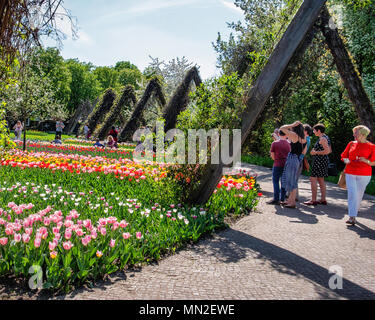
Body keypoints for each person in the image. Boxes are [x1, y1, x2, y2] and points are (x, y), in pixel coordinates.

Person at [341, 125, 375, 226]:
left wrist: (365, 160)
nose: (353, 135)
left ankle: (354, 213)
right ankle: (352, 217)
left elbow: (373, 163)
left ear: (362, 134)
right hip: (350, 172)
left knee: (359, 195)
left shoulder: (371, 146)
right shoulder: (351, 144)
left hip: (364, 174)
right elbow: (343, 156)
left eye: (355, 133)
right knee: (352, 193)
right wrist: (348, 162)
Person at [279, 121, 307, 208]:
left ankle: (292, 202)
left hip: (292, 158)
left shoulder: (294, 136)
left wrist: (291, 124)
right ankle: (290, 200)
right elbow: (303, 152)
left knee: (292, 181)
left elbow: (282, 128)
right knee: (292, 180)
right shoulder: (304, 138)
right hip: (297, 159)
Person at [303, 124, 332, 206]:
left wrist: (315, 152)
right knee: (321, 179)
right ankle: (323, 199)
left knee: (313, 179)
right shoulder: (326, 137)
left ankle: (313, 200)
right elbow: (329, 150)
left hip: (319, 161)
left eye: (314, 130)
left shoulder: (322, 138)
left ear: (318, 130)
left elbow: (327, 151)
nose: (313, 132)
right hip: (322, 161)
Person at [267, 129, 291, 205]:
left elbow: (272, 156)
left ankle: (276, 198)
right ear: (286, 135)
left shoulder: (274, 143)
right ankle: (282, 198)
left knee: (275, 181)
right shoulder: (289, 144)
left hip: (277, 164)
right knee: (283, 182)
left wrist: (277, 159)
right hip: (286, 164)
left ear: (279, 134)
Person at [296, 124, 313, 201]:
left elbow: (303, 152)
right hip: (300, 159)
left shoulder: (306, 139)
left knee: (294, 178)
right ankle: (293, 195)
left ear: (305, 131)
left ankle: (294, 196)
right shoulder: (307, 139)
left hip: (299, 159)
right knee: (295, 178)